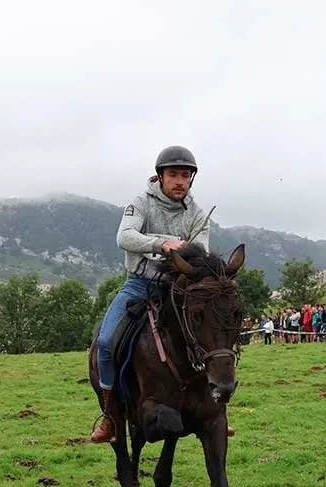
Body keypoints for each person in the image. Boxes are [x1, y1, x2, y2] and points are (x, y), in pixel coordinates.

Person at [92, 146, 232, 444]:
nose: (180, 181)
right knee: (105, 343)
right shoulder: (140, 203)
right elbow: (124, 237)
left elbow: (201, 253)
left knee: (210, 339)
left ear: (191, 179)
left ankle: (216, 410)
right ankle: (109, 414)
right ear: (161, 177)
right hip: (139, 284)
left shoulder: (197, 214)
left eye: (185, 175)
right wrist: (163, 243)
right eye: (173, 175)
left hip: (177, 290)